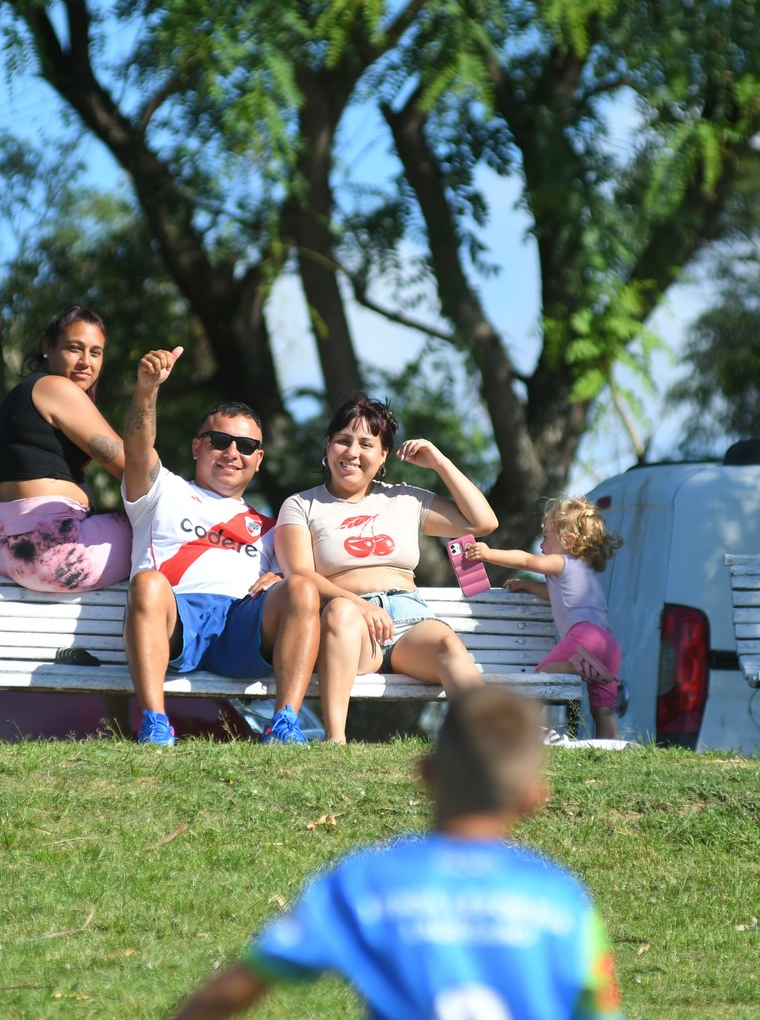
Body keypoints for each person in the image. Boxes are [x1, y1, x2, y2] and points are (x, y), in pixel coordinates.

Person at [171, 684, 625, 1020]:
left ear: (425, 773)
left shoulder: (366, 882)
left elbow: (235, 989)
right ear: (533, 796)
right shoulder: (564, 900)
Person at [122, 346, 321, 745]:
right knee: (147, 583)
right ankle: (155, 724)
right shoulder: (162, 490)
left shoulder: (273, 526)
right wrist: (147, 391)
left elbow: (311, 583)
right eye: (220, 441)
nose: (232, 453)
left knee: (302, 587)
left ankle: (284, 725)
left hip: (241, 627)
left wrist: (281, 576)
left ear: (259, 458)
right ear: (198, 447)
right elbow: (139, 448)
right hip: (177, 620)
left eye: (245, 447)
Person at [275, 393, 498, 744]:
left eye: (366, 444)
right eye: (343, 440)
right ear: (328, 446)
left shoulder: (405, 498)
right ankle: (335, 740)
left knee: (448, 646)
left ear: (382, 457)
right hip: (348, 625)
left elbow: (483, 522)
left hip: (409, 620)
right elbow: (299, 574)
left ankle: (484, 745)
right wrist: (358, 604)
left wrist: (439, 462)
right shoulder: (302, 505)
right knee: (340, 614)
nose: (352, 452)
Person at [0, 305, 131, 591]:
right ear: (48, 346)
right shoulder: (57, 388)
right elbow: (131, 469)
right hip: (47, 551)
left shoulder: (22, 394)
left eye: (95, 353)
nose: (86, 361)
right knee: (166, 533)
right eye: (75, 348)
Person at [467, 496, 625, 739]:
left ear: (568, 540)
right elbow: (556, 595)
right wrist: (527, 586)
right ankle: (611, 752)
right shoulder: (583, 569)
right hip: (608, 644)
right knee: (603, 710)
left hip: (584, 637)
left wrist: (488, 554)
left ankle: (521, 731)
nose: (541, 546)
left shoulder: (562, 561)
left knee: (542, 677)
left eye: (546, 537)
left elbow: (526, 560)